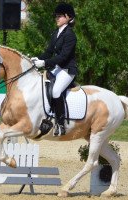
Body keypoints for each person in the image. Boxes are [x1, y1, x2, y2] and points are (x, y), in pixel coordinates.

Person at [31, 2, 77, 136]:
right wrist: (36, 59)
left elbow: (63, 57)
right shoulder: (57, 32)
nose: (57, 18)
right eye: (56, 16)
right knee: (42, 86)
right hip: (57, 68)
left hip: (68, 70)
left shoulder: (70, 35)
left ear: (68, 17)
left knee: (56, 91)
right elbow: (49, 51)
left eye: (60, 16)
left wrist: (44, 63)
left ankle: (60, 124)